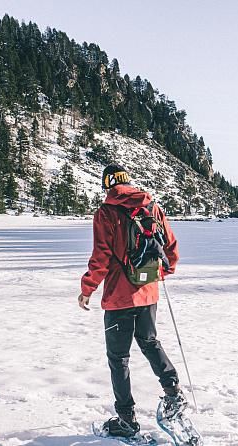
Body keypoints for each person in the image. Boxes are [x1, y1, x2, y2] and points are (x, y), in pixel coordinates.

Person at [78, 164, 186, 438]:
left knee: (118, 358)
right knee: (150, 342)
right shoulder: (152, 207)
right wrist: (161, 273)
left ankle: (126, 419)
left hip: (119, 297)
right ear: (128, 182)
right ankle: (173, 393)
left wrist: (87, 288)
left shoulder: (106, 213)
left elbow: (101, 257)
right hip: (148, 291)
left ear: (106, 186)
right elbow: (171, 248)